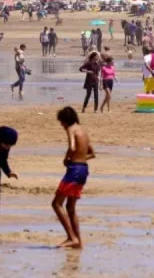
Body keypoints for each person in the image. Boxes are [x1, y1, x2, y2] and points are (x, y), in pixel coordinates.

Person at [52, 106, 95, 249]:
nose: (62, 126)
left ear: (66, 121)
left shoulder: (71, 129)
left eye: (61, 123)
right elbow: (92, 153)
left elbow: (72, 148)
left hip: (74, 170)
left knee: (56, 204)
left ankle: (72, 238)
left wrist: (67, 159)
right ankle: (78, 242)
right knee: (71, 207)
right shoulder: (84, 131)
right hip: (83, 169)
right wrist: (80, 158)